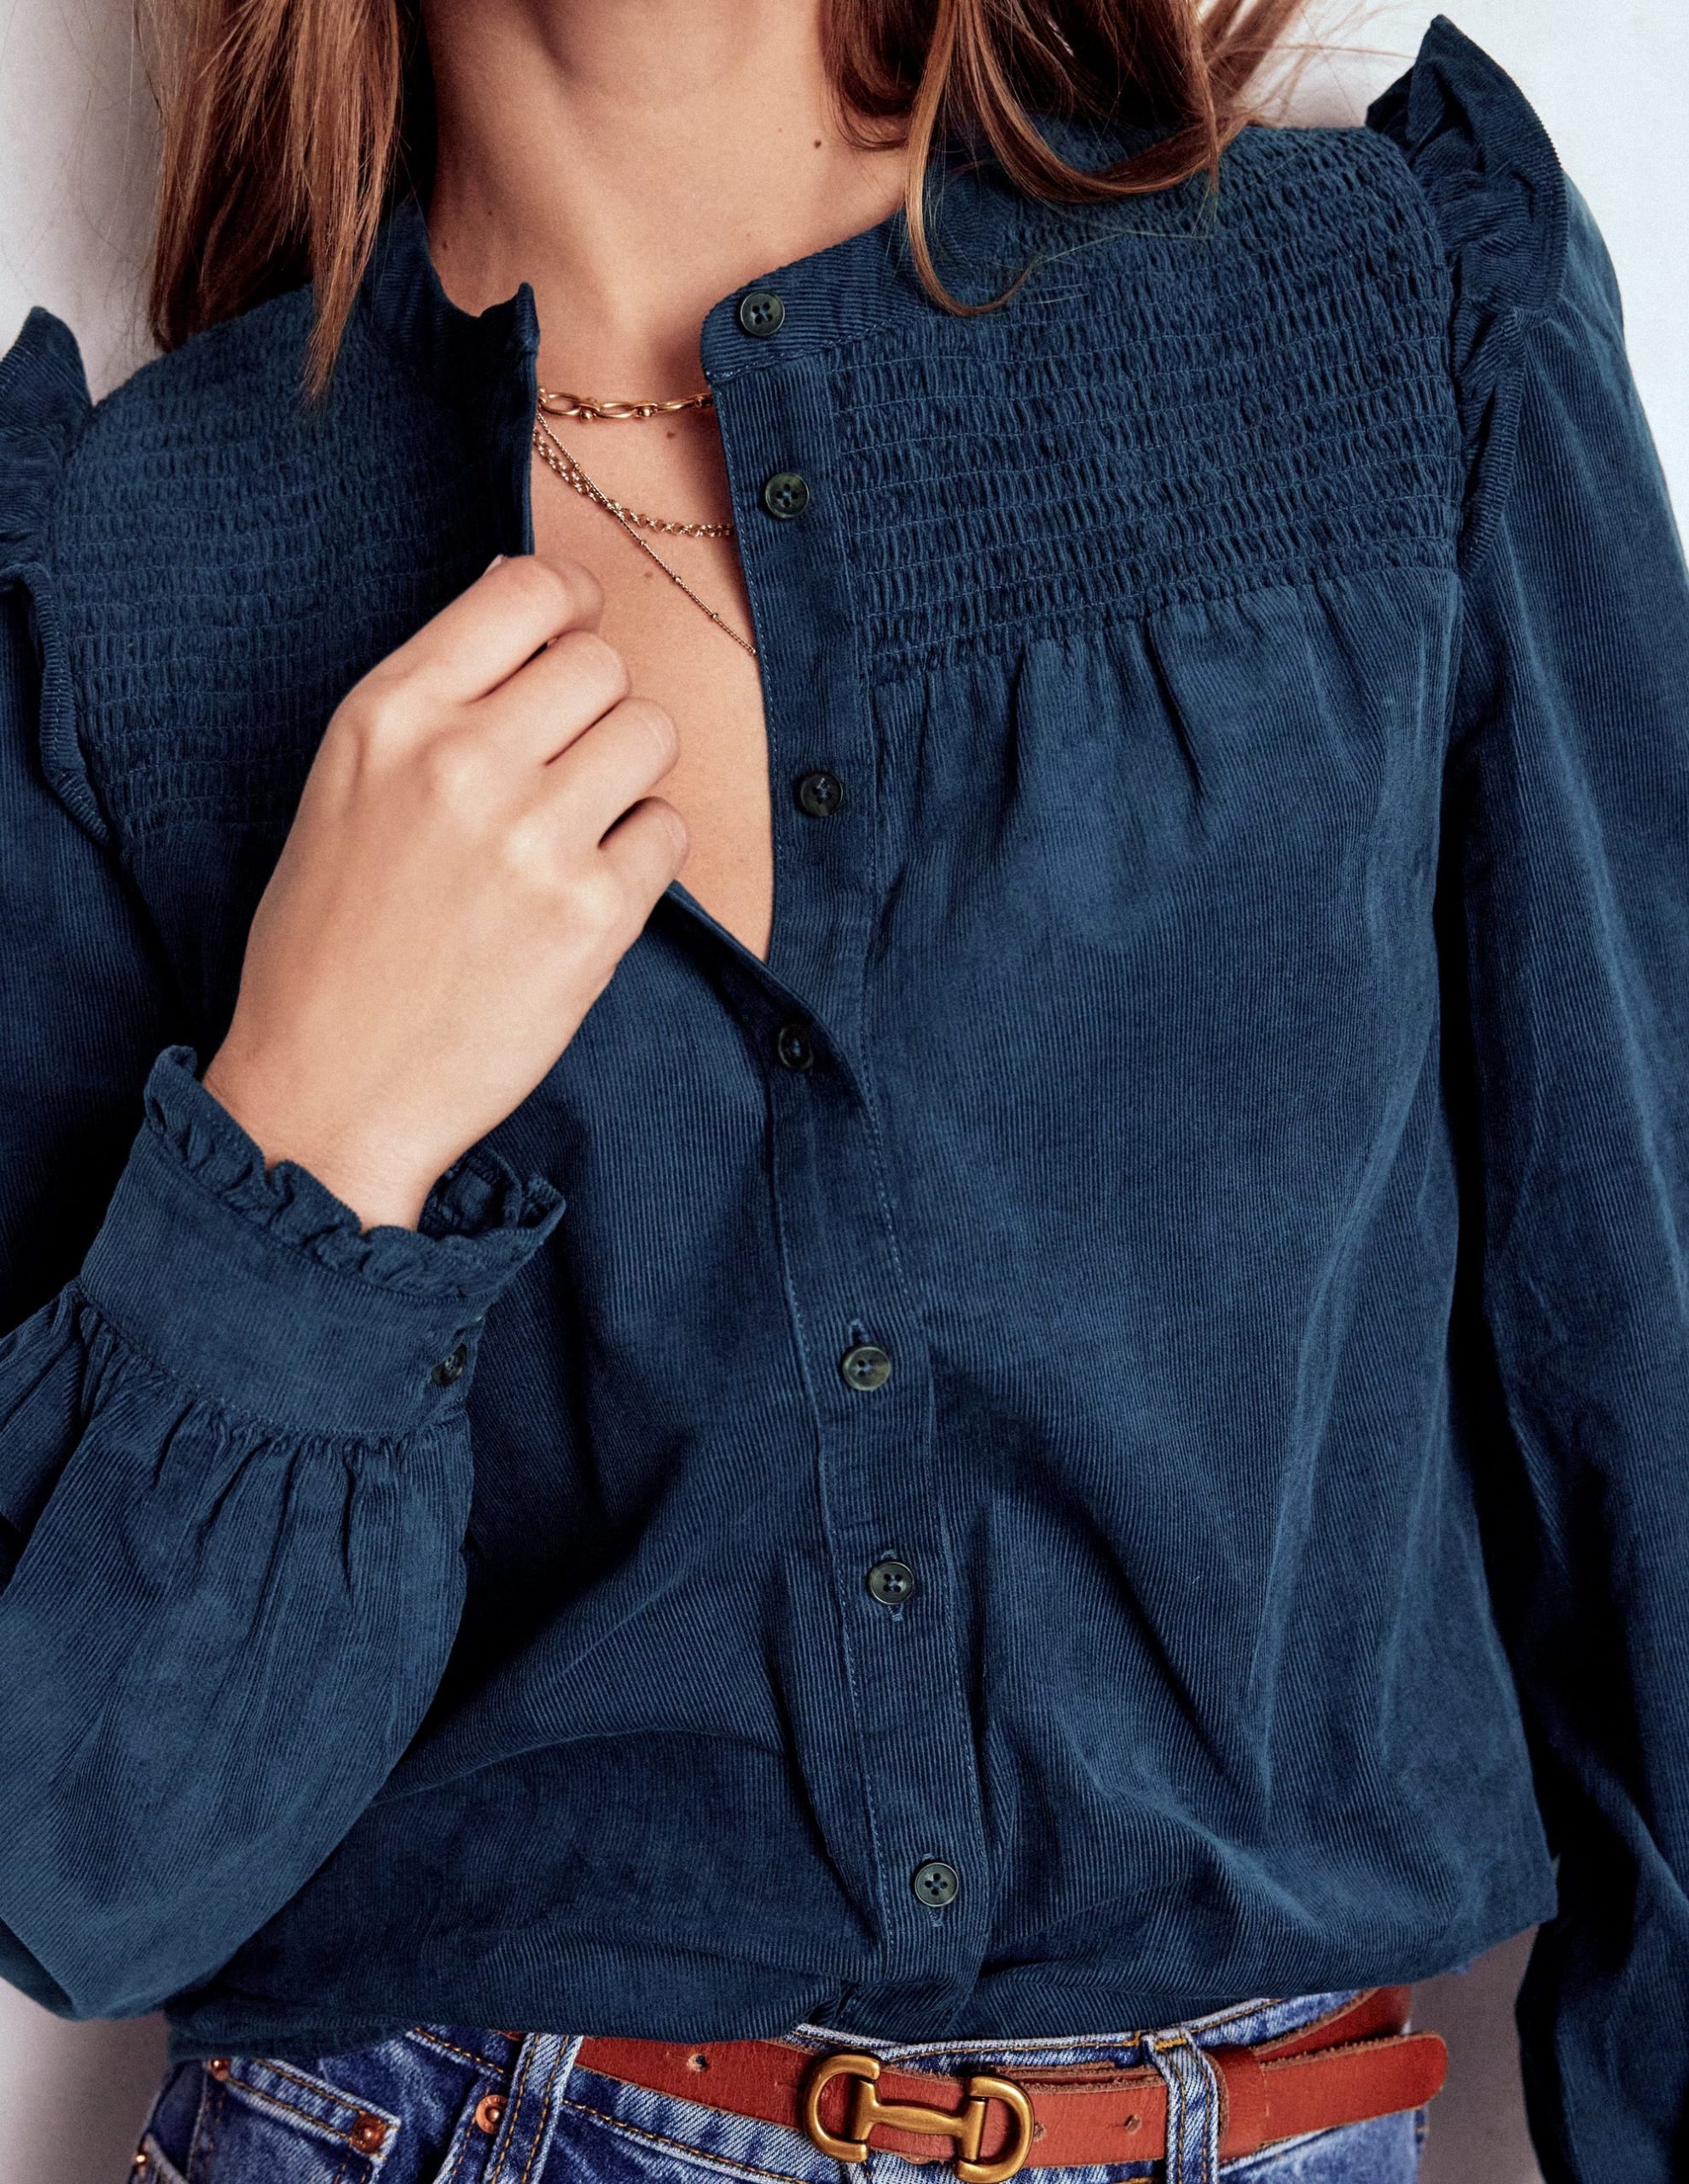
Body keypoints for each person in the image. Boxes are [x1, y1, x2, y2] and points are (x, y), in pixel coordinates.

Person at [0, 0, 1683, 2176]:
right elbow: (80, 1863)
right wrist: (316, 1129)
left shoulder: (1377, 318)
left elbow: (1647, 1402)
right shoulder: (132, 573)